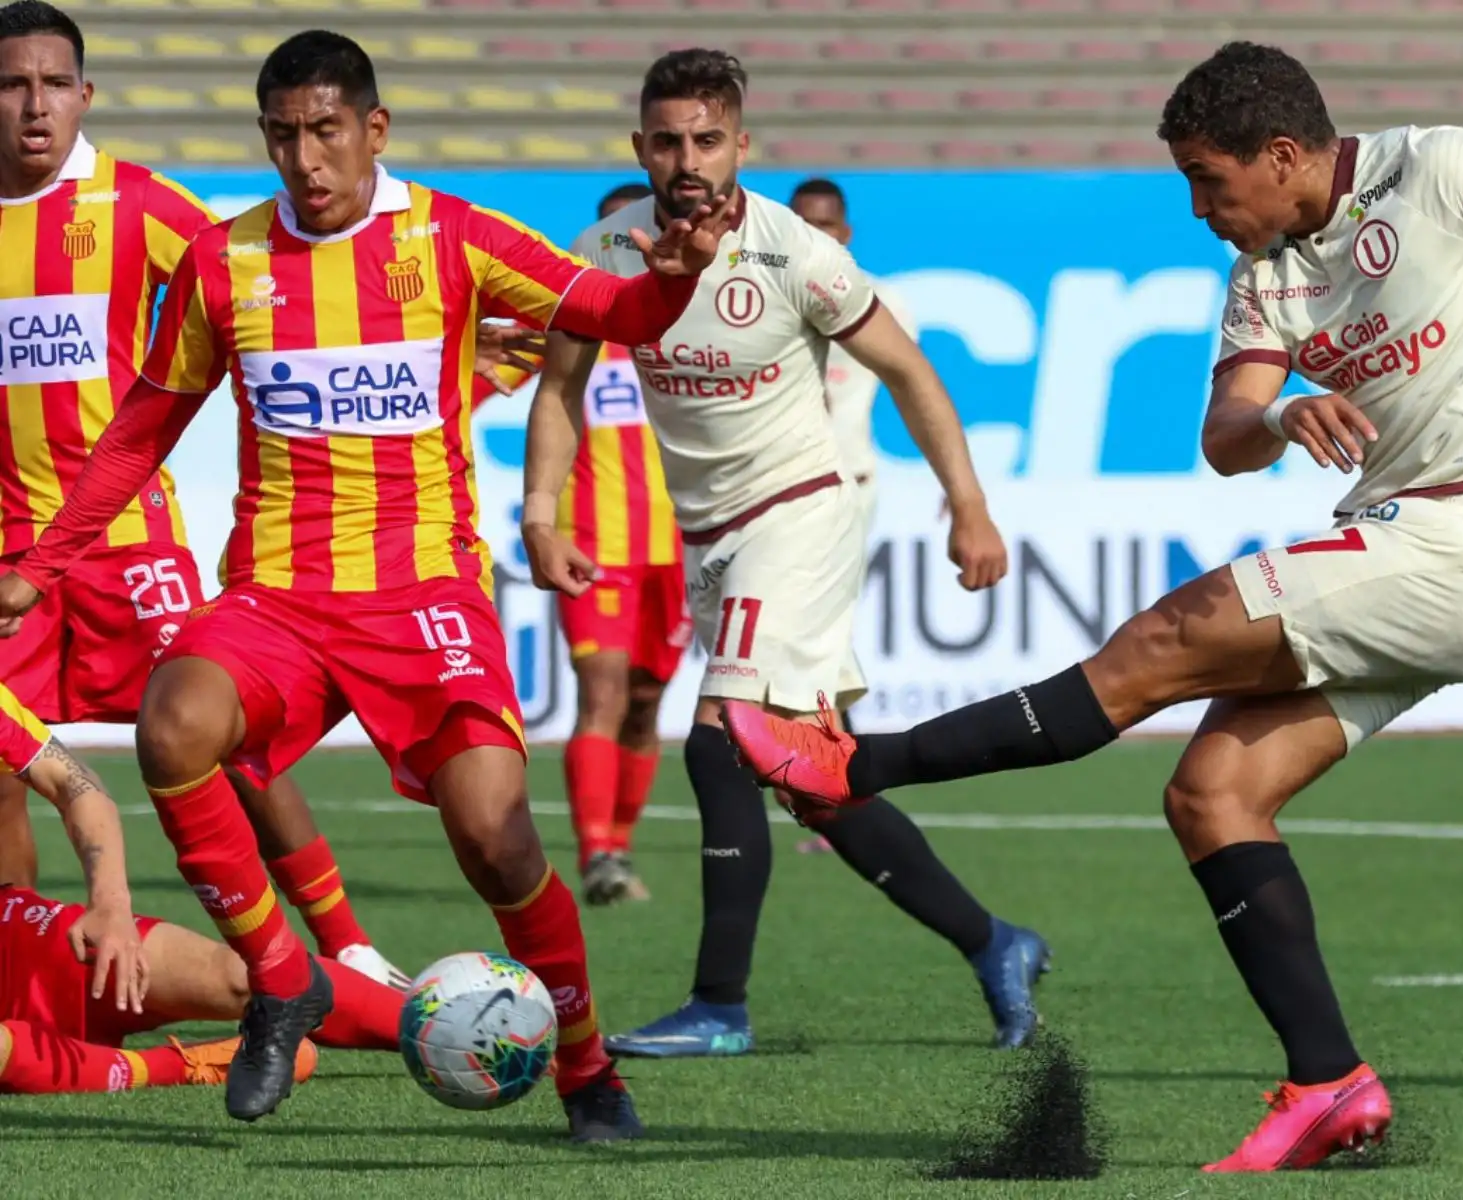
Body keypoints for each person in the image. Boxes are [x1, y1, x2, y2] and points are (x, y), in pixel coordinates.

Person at [723, 41, 1463, 1172]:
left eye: (1207, 178)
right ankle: (1329, 1079)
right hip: (1416, 550)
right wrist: (1281, 419)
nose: (1199, 208)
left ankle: (852, 767)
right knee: (1213, 792)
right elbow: (1226, 435)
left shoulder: (1446, 170)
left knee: (1163, 639)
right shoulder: (1269, 271)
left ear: (1282, 154)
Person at [0, 29, 729, 1135]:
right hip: (278, 597)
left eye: (326, 131)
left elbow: (609, 313)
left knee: (495, 837)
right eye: (283, 135)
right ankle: (284, 977)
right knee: (174, 726)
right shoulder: (225, 260)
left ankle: (586, 1068)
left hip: (420, 591)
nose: (305, 158)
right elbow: (142, 427)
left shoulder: (449, 237)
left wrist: (674, 283)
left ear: (373, 130)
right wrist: (40, 565)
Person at [522, 49, 1048, 1061]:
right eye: (668, 141)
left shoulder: (796, 253)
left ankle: (720, 1004)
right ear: (641, 148)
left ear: (740, 146)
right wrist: (541, 513)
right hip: (712, 542)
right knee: (813, 780)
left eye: (707, 140)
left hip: (801, 512)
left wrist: (968, 506)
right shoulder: (607, 251)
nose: (688, 160)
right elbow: (560, 388)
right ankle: (996, 943)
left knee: (720, 738)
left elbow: (907, 368)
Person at [0, 0, 407, 991]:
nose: (34, 105)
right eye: (12, 85)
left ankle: (345, 945)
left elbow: (265, 275)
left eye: (54, 84)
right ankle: (17, 973)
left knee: (224, 743)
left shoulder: (137, 205)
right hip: (8, 558)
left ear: (85, 96)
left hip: (126, 542)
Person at [0, 679, 401, 1095]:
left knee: (248, 978)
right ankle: (180, 1065)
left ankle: (438, 1030)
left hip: (14, 940)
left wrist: (110, 904)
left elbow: (75, 785)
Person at [525, 178, 688, 907]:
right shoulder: (569, 333)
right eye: (607, 240)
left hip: (679, 549)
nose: (618, 253)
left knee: (648, 702)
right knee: (603, 690)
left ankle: (620, 844)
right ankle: (597, 856)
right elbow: (473, 371)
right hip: (595, 542)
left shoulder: (694, 330)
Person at [786, 175, 918, 854]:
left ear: (847, 234)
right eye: (801, 223)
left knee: (821, 641)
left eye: (827, 226)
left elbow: (911, 383)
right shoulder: (770, 293)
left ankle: (839, 798)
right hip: (778, 493)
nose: (815, 236)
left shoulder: (878, 301)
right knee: (821, 646)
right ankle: (842, 789)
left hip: (848, 487)